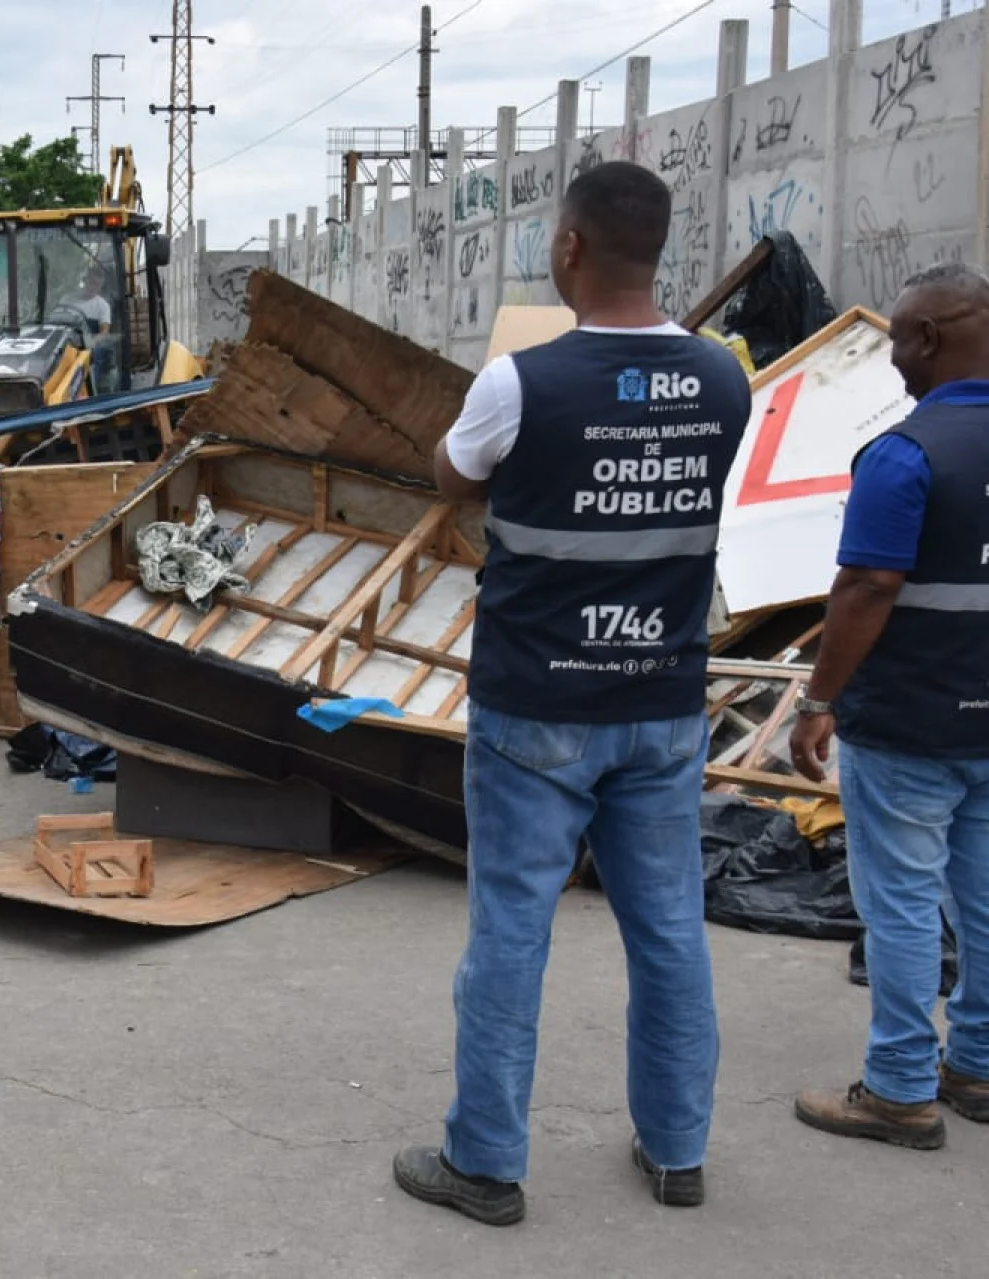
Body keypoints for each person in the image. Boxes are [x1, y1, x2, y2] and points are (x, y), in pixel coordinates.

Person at [390, 161, 752, 1226]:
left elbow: (454, 474)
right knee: (671, 929)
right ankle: (679, 1151)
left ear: (569, 250)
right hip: (662, 701)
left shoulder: (521, 382)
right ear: (663, 249)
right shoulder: (727, 380)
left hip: (536, 706)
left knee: (510, 929)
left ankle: (487, 1163)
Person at [789, 262, 989, 1150]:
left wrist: (818, 696)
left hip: (910, 722)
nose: (894, 360)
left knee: (903, 901)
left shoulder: (904, 453)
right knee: (984, 896)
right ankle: (977, 1067)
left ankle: (900, 1087)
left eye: (898, 340)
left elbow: (867, 585)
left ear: (931, 338)